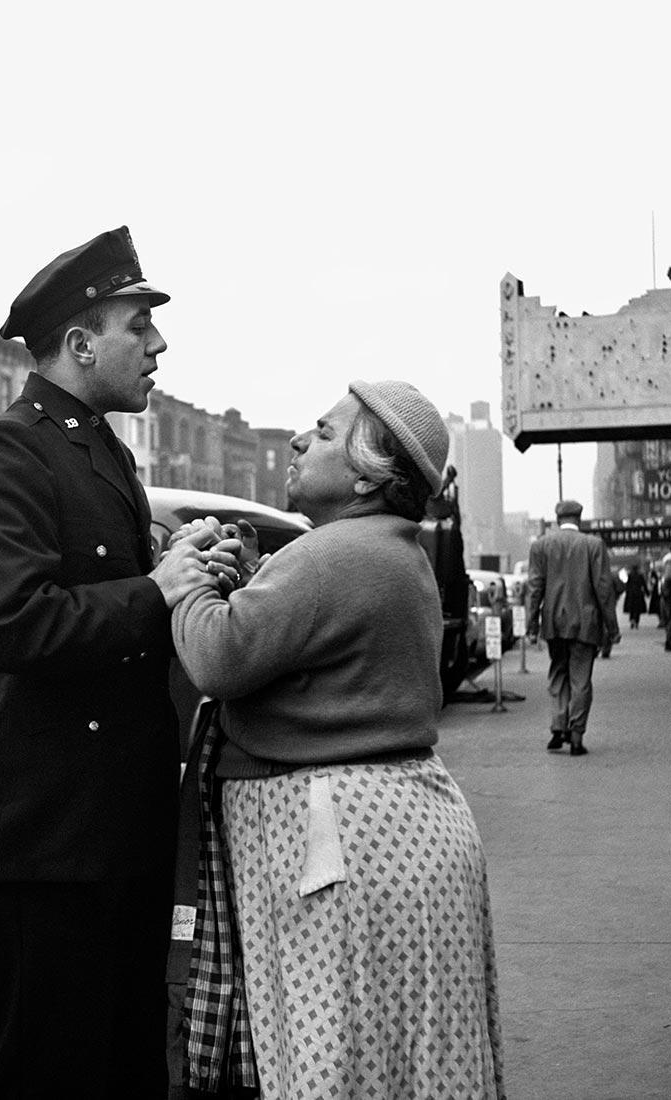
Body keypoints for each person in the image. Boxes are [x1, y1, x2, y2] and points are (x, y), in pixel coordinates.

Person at [0, 226, 237, 1099]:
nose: (158, 345)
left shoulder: (103, 448)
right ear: (79, 343)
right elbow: (13, 621)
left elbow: (108, 579)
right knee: (45, 1078)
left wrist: (189, 560)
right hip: (43, 846)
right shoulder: (6, 449)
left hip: (112, 837)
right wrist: (157, 586)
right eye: (138, 325)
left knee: (124, 1069)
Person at [172, 381, 505, 1098]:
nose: (298, 440)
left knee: (338, 1054)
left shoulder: (332, 555)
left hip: (338, 847)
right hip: (395, 833)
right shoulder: (383, 549)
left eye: (322, 433)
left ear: (365, 476)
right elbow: (317, 646)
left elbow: (218, 657)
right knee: (401, 1055)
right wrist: (261, 577)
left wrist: (185, 583)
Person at [526, 499, 620, 756]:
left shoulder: (541, 546)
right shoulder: (593, 545)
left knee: (558, 672)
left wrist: (532, 625)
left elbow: (534, 588)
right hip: (585, 624)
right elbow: (604, 589)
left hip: (554, 621)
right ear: (579, 519)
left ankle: (558, 726)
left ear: (558, 520)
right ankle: (576, 735)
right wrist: (612, 628)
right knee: (581, 679)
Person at [599, 568, 626, 658]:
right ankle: (606, 648)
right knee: (608, 622)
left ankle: (596, 647)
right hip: (609, 601)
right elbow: (621, 587)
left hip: (593, 602)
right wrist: (615, 596)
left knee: (596, 623)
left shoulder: (588, 572)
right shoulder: (612, 574)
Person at [623, 562, 648, 629]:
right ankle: (636, 622)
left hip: (631, 594)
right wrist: (647, 593)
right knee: (637, 609)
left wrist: (626, 593)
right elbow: (644, 585)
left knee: (632, 609)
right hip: (638, 594)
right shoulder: (640, 576)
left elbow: (627, 586)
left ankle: (632, 620)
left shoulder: (630, 575)